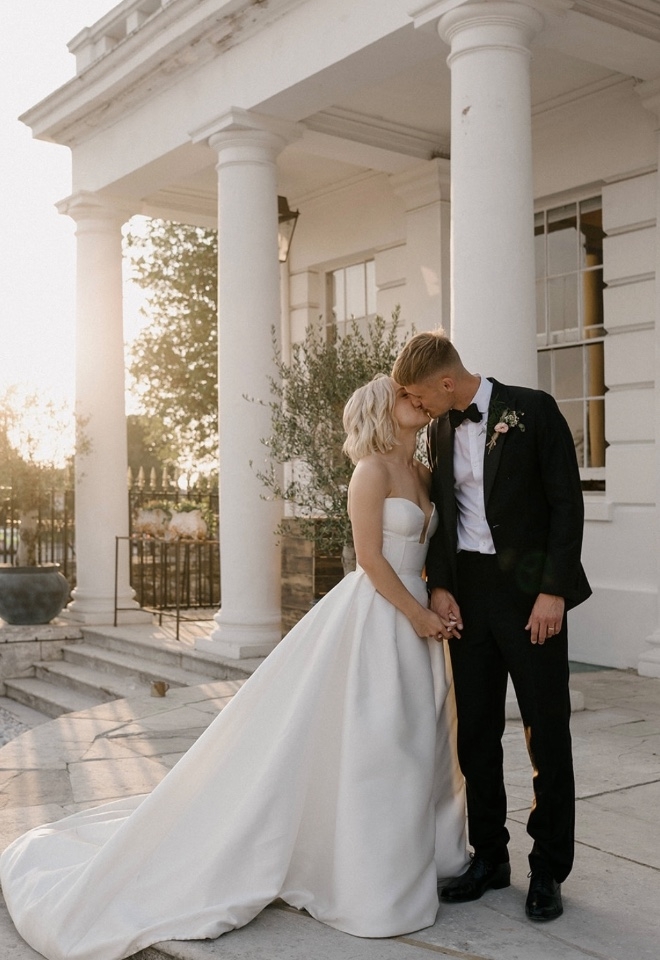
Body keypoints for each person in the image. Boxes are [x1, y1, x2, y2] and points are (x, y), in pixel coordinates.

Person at [0, 375, 468, 960]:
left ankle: (416, 855)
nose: (417, 400)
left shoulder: (424, 474)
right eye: (405, 394)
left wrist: (437, 601)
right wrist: (417, 616)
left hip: (416, 620)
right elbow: (371, 560)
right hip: (377, 617)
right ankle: (370, 882)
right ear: (382, 408)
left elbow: (436, 550)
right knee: (374, 744)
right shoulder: (370, 472)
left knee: (417, 739)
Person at [392, 331, 591, 923]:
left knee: (545, 733)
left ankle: (549, 870)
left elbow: (566, 503)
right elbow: (449, 518)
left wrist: (553, 590)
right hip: (469, 600)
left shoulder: (533, 410)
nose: (419, 406)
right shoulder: (439, 428)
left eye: (421, 395)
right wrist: (442, 583)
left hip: (532, 596)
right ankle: (490, 858)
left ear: (446, 382)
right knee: (474, 733)